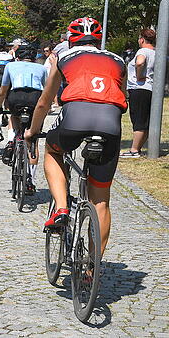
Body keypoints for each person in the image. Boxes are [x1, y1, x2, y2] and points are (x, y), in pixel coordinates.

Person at [25, 17, 127, 258]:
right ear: (99, 40)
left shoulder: (64, 58)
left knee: (53, 150)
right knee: (101, 200)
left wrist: (32, 131)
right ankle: (92, 266)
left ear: (71, 41)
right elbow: (124, 99)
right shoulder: (119, 60)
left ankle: (61, 209)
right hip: (110, 121)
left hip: (75, 115)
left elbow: (44, 102)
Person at [0, 42, 47, 193]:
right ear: (34, 58)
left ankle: (13, 139)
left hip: (16, 96)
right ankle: (31, 180)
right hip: (35, 98)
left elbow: (3, 90)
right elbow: (47, 92)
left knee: (14, 116)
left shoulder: (10, 66)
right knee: (33, 139)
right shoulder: (42, 68)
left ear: (17, 57)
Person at [121, 28, 156, 158]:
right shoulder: (156, 52)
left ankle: (134, 150)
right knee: (145, 120)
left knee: (138, 120)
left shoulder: (142, 51)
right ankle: (138, 148)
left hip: (139, 88)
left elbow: (140, 62)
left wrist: (138, 75)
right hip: (150, 89)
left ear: (142, 39)